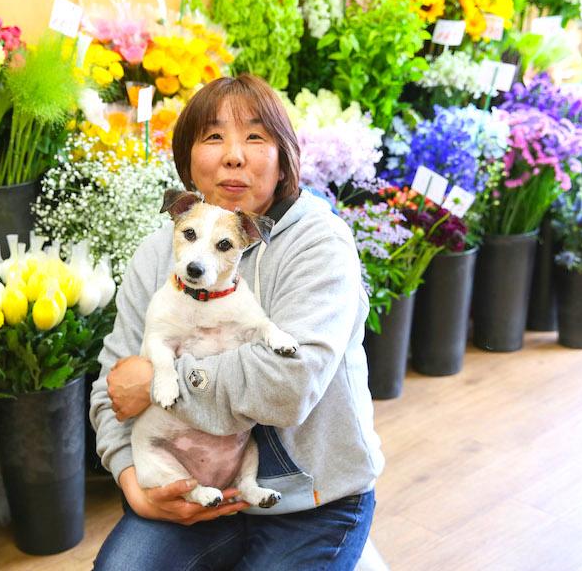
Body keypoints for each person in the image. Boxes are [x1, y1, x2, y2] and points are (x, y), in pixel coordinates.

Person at [89, 74, 384, 570]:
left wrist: (167, 380)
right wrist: (131, 481)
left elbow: (290, 384)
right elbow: (115, 390)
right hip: (191, 484)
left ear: (284, 156)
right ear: (187, 160)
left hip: (312, 501)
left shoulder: (318, 243)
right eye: (212, 137)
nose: (233, 155)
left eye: (254, 136)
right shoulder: (159, 253)